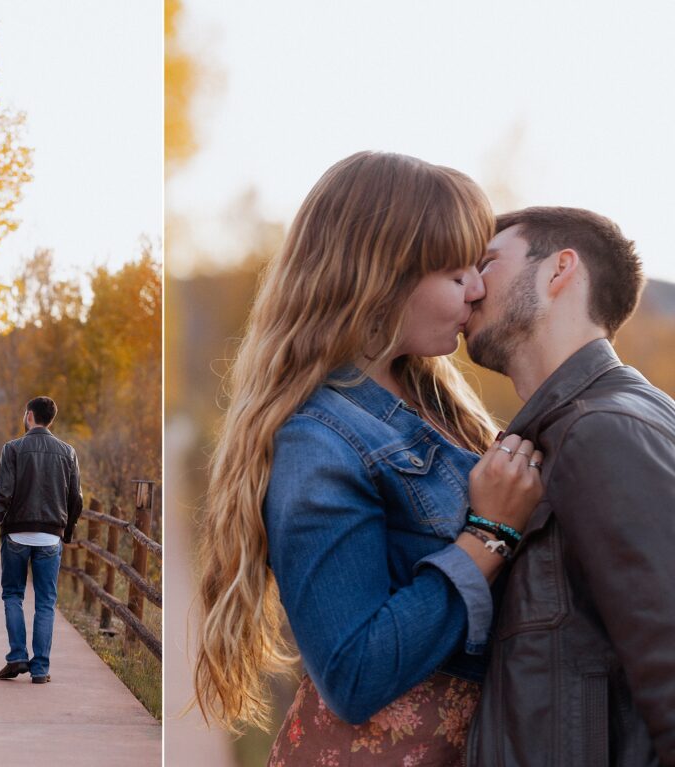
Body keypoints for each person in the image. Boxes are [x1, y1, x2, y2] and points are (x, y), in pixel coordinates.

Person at [192, 151, 544, 765]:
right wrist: (488, 534)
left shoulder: (433, 398)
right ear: (379, 275)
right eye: (454, 272)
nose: (478, 287)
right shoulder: (317, 441)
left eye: (477, 266)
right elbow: (354, 672)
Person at [463, 208, 675, 766]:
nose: (470, 285)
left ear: (559, 270)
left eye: (487, 263)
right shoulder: (591, 425)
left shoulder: (599, 432)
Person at [0, 396, 82, 685]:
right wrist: (66, 533)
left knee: (13, 595)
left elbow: (3, 494)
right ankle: (40, 669)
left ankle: (17, 656)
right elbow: (76, 499)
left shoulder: (13, 449)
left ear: (30, 415)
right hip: (50, 538)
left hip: (17, 536)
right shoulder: (67, 452)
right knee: (46, 602)